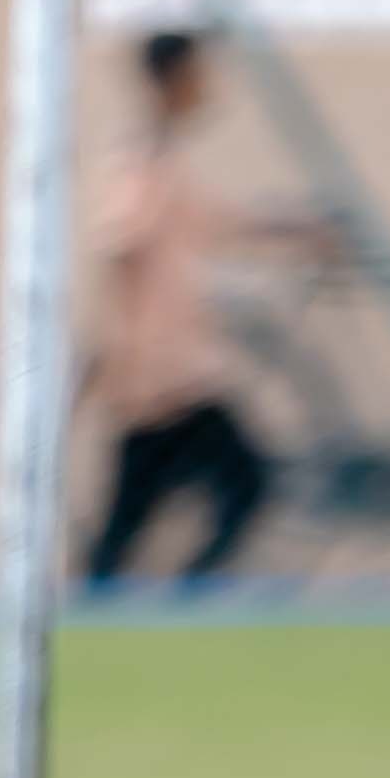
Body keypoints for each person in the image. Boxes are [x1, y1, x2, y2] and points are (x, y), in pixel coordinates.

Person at [87, 29, 290, 587]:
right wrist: (118, 349)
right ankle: (179, 600)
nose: (207, 87)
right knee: (241, 485)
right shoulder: (144, 161)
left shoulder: (165, 161)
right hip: (161, 379)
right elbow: (121, 248)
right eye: (198, 74)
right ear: (172, 79)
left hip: (176, 374)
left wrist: (291, 231)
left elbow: (216, 224)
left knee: (134, 517)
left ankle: (147, 599)